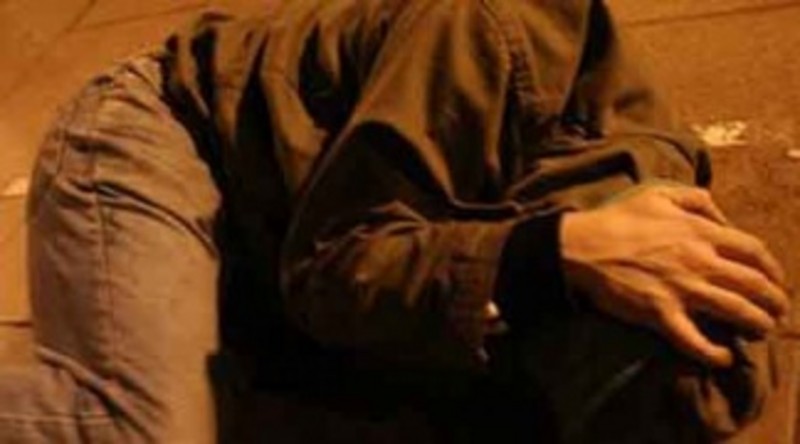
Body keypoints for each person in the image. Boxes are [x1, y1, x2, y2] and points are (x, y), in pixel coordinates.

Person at [1, 0, 789, 442]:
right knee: (141, 430)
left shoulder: (654, 176)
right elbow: (330, 266)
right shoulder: (490, 27)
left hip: (275, 209)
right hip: (168, 130)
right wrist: (548, 252)